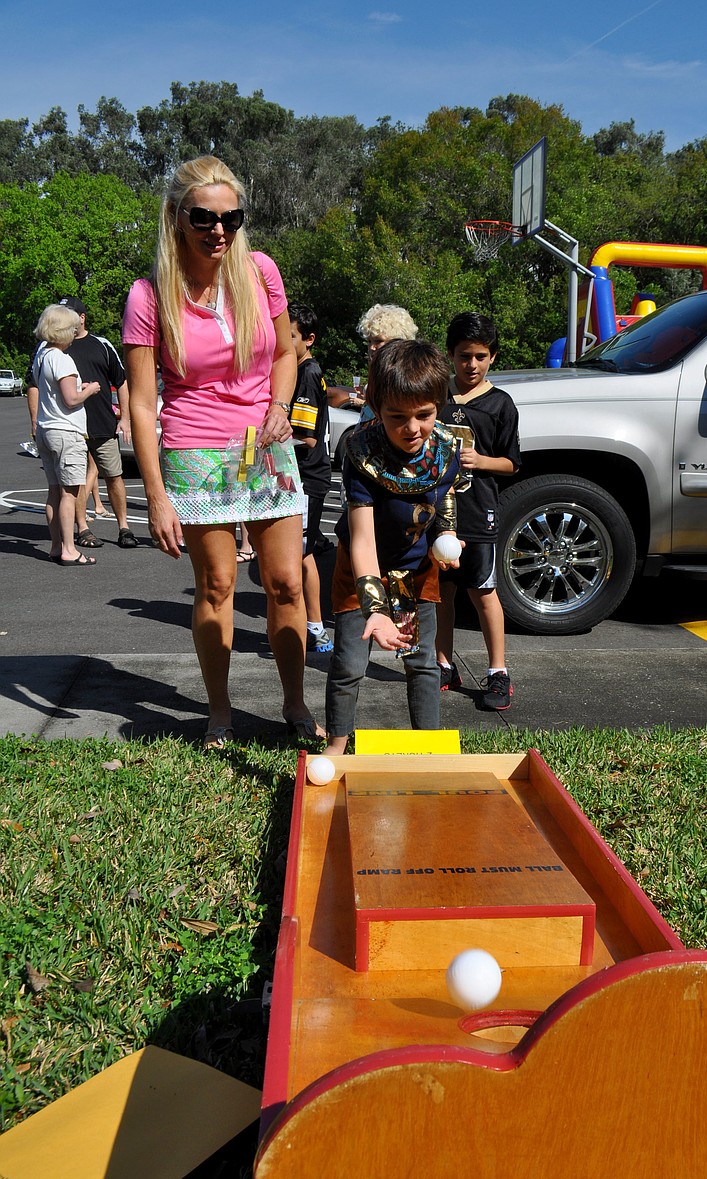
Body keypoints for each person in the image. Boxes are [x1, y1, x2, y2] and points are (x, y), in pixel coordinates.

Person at [122, 155, 322, 748]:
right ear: (176, 217)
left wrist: (279, 410)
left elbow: (286, 354)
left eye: (231, 217)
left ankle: (294, 703)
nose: (219, 230)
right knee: (216, 585)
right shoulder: (150, 294)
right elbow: (139, 403)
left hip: (265, 442)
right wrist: (154, 495)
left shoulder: (260, 272)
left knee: (286, 581)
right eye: (203, 217)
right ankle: (219, 712)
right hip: (195, 447)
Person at [324, 339, 460, 756]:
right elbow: (362, 538)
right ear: (376, 407)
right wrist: (377, 611)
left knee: (422, 663)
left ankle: (431, 748)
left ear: (439, 405)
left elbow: (445, 494)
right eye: (397, 417)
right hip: (361, 569)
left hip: (417, 569)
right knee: (349, 663)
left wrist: (446, 534)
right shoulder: (361, 452)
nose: (412, 428)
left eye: (424, 415)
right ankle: (337, 744)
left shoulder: (445, 451)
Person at [435, 312, 521, 711]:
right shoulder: (436, 396)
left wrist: (479, 461)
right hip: (435, 512)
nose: (472, 365)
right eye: (464, 356)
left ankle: (498, 671)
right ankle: (442, 664)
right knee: (440, 593)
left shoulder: (500, 404)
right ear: (450, 355)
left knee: (483, 591)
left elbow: (512, 463)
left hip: (478, 511)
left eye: (481, 357)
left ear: (493, 357)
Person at [27, 297, 139, 550]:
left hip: (100, 424)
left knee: (112, 476)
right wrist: (35, 421)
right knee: (72, 485)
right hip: (69, 428)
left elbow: (121, 381)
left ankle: (124, 528)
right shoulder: (52, 351)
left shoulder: (99, 344)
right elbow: (38, 387)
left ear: (81, 318)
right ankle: (80, 531)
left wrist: (126, 419)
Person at [30, 304, 103, 565]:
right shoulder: (62, 358)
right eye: (72, 328)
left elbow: (53, 392)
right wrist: (91, 389)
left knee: (53, 490)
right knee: (69, 493)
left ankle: (55, 546)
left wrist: (77, 388)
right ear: (62, 330)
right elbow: (71, 399)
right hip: (66, 431)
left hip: (46, 429)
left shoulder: (42, 355)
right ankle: (69, 550)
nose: (75, 332)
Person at [288, 302, 333, 653]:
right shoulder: (295, 369)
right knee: (296, 554)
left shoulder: (306, 372)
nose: (284, 343)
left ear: (309, 339)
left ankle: (316, 627)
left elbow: (307, 438)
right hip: (297, 477)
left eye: (290, 337)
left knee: (303, 554)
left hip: (307, 478)